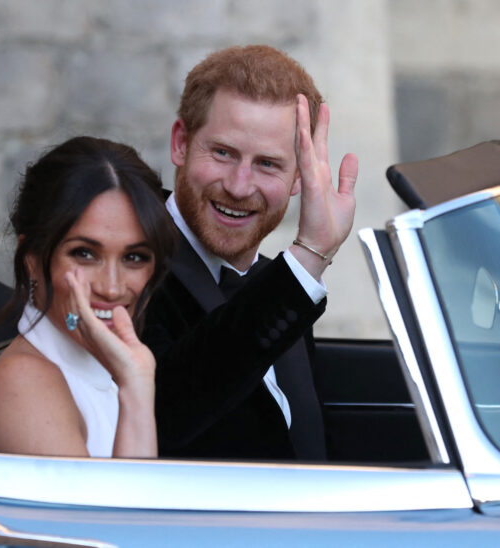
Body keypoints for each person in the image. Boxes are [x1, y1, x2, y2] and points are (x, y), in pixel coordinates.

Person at [142, 45, 359, 460]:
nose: (240, 186)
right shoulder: (130, 265)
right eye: (223, 153)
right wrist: (311, 255)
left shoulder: (276, 282)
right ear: (181, 144)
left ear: (299, 178)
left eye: (268, 164)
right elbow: (166, 414)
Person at [0, 136, 177, 458]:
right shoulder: (22, 383)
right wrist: (135, 388)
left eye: (134, 257)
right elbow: (121, 511)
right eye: (84, 254)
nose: (111, 287)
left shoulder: (102, 372)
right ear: (33, 261)